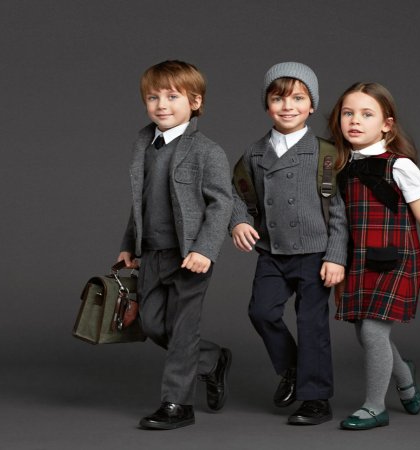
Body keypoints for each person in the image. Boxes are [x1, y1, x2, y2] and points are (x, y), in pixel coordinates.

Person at [327, 82, 420, 430]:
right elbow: (341, 225)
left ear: (386, 124)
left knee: (373, 333)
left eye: (366, 114)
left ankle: (374, 407)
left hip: (395, 261)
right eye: (348, 113)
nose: (355, 121)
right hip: (359, 261)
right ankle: (405, 376)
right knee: (365, 333)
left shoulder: (399, 167)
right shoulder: (341, 166)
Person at [117, 60, 233, 430]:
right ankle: (212, 359)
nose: (161, 105)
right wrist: (129, 244)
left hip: (190, 255)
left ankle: (177, 404)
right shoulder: (144, 144)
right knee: (152, 324)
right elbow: (139, 202)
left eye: (172, 96)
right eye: (153, 97)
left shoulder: (207, 151)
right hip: (152, 253)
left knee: (183, 329)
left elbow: (222, 203)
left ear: (195, 102)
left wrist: (205, 250)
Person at [230, 62, 348, 425]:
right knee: (261, 312)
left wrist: (336, 256)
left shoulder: (327, 153)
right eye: (278, 98)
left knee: (312, 325)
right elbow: (234, 192)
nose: (288, 106)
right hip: (273, 251)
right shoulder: (255, 152)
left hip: (315, 253)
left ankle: (316, 399)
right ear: (267, 104)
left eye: (298, 98)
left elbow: (339, 212)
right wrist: (238, 221)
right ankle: (294, 369)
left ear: (312, 105)